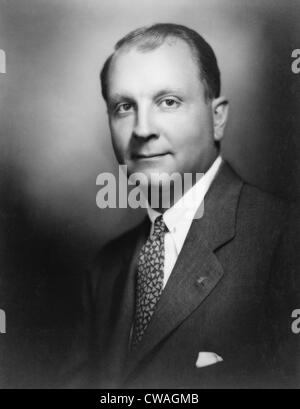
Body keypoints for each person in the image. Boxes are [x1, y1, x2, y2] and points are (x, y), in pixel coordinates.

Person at [69, 23, 297, 389]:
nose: (142, 129)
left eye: (168, 102)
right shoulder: (105, 268)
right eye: (124, 106)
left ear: (217, 118)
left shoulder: (285, 238)